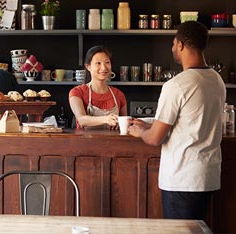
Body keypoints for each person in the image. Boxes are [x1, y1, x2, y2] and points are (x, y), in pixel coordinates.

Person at [127, 21, 226, 220]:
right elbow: (190, 123)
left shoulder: (177, 85)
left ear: (181, 44)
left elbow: (155, 139)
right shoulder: (216, 80)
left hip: (183, 178)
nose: (172, 48)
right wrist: (148, 125)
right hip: (208, 175)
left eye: (173, 43)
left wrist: (140, 132)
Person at [69, 45, 127, 129]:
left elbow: (124, 125)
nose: (103, 68)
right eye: (98, 63)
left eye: (107, 62)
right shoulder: (77, 92)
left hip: (113, 142)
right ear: (88, 66)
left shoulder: (119, 95)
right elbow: (82, 119)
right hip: (85, 142)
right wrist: (106, 119)